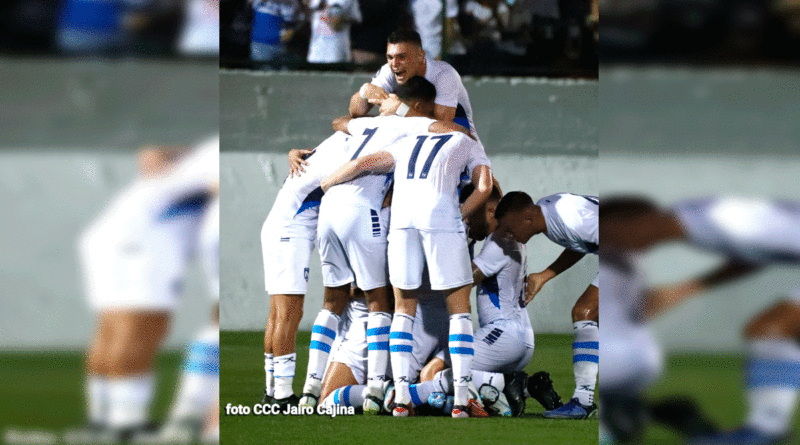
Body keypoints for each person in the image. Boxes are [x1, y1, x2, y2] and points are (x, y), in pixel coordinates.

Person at [299, 76, 474, 414]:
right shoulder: (417, 130)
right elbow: (455, 134)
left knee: (333, 302)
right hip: (367, 212)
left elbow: (342, 123)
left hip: (332, 208)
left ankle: (311, 386)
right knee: (385, 301)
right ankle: (384, 390)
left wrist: (324, 185)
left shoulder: (368, 126)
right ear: (424, 107)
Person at [600, 196, 800, 444]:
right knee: (770, 330)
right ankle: (766, 429)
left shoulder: (720, 218)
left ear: (626, 224)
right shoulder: (697, 218)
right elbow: (760, 253)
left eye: (609, 235)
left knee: (771, 329)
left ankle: (765, 431)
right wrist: (689, 287)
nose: (614, 245)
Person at [78, 136, 218, 439]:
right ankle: (126, 424)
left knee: (111, 329)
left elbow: (149, 155)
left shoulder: (193, 159)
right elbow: (217, 185)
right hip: (143, 248)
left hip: (109, 241)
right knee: (140, 327)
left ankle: (101, 420)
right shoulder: (209, 157)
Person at [260, 131, 350, 406]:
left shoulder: (328, 146)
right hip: (291, 231)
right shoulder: (346, 152)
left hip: (278, 226)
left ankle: (272, 390)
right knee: (289, 313)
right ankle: (284, 394)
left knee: (277, 313)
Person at [494, 191, 599, 419]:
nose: (507, 235)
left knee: (584, 313)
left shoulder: (567, 219)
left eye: (509, 228)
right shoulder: (547, 213)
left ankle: (585, 402)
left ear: (527, 219)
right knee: (587, 314)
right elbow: (582, 243)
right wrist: (543, 276)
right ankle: (586, 401)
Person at [349, 29, 479, 140]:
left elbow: (445, 129)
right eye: (390, 57)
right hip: (418, 137)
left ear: (420, 55)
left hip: (460, 136)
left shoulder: (444, 75)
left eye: (402, 57)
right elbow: (355, 113)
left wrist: (401, 110)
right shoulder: (389, 71)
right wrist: (364, 92)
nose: (395, 63)